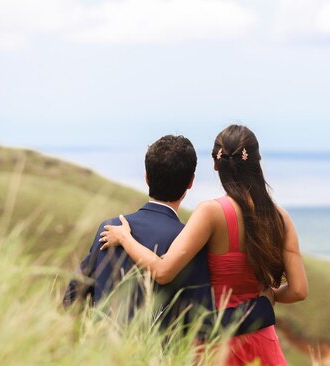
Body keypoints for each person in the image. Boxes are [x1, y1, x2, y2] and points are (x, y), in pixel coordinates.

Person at [100, 125, 308, 366]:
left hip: (217, 344)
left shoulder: (211, 212)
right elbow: (299, 290)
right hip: (262, 341)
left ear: (216, 165)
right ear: (257, 162)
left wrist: (125, 238)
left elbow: (162, 272)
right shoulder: (280, 218)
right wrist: (270, 295)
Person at [63, 134, 276, 338]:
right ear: (190, 183)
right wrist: (262, 308)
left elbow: (74, 293)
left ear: (146, 177)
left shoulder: (110, 228)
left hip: (102, 362)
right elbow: (204, 323)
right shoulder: (188, 243)